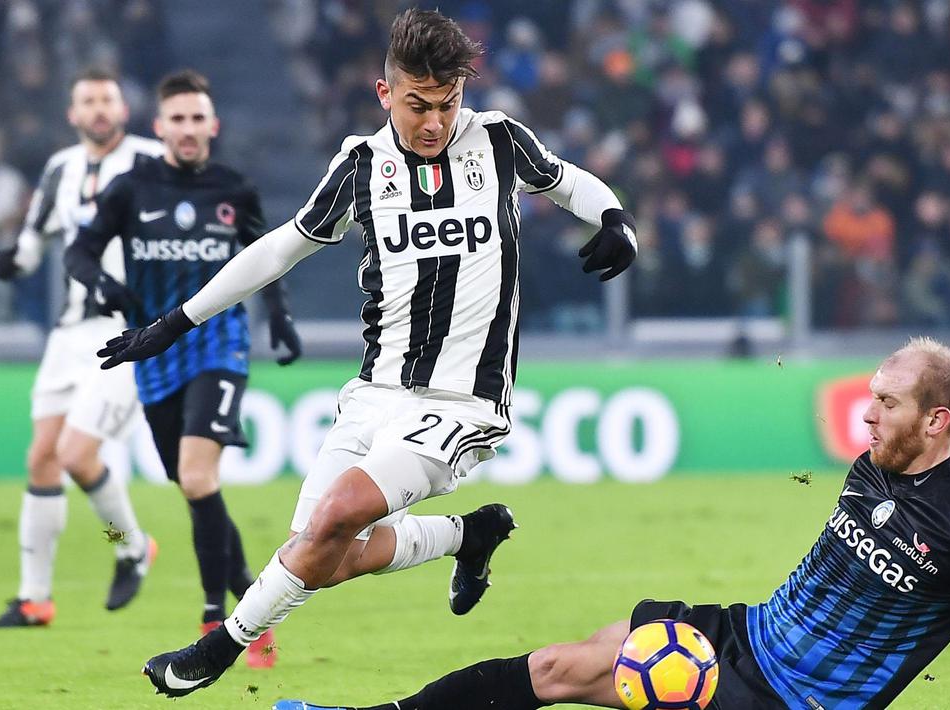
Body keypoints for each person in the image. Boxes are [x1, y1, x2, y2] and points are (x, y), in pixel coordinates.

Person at [96, 9, 637, 698]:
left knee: (336, 515)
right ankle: (465, 536)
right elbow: (281, 247)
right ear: (386, 95)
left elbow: (568, 181)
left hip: (461, 402)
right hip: (375, 392)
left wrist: (614, 216)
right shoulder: (361, 165)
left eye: (447, 104)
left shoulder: (499, 142)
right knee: (321, 556)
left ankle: (220, 647)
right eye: (418, 106)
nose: (435, 122)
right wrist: (177, 320)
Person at [273, 338, 950, 710]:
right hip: (748, 634)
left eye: (888, 402)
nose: (867, 412)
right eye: (871, 395)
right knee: (576, 654)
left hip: (788, 700)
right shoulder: (869, 466)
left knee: (565, 675)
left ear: (937, 420)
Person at [63, 70, 302, 667]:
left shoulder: (232, 188)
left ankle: (209, 614)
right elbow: (76, 248)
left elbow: (266, 258)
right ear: (158, 126)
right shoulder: (121, 185)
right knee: (171, 481)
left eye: (199, 118)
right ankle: (152, 556)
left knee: (192, 478)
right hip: (136, 349)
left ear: (212, 126)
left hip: (215, 344)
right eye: (179, 118)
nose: (189, 129)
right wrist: (99, 282)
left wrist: (278, 317)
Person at [0, 68, 160, 628]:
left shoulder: (151, 160)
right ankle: (35, 598)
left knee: (77, 455)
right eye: (88, 101)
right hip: (68, 334)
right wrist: (13, 259)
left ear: (122, 108)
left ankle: (130, 544)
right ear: (73, 113)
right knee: (42, 457)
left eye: (108, 99)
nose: (99, 109)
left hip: (126, 331)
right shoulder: (61, 168)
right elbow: (36, 239)